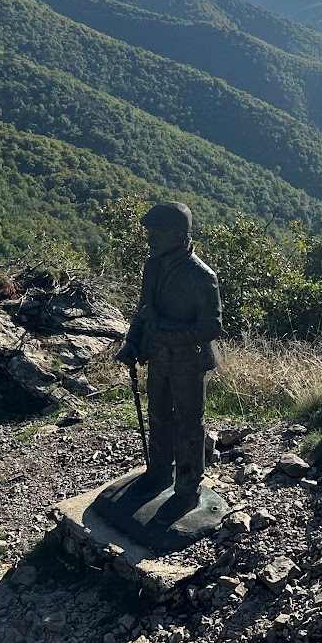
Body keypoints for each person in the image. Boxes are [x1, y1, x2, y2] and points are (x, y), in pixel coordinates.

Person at [116, 202, 223, 511]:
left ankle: (188, 487)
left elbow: (212, 328)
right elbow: (144, 309)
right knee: (159, 415)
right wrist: (132, 342)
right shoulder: (153, 266)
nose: (150, 240)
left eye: (156, 234)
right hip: (159, 357)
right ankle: (159, 472)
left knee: (189, 422)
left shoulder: (203, 277)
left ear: (178, 235)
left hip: (189, 361)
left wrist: (166, 333)